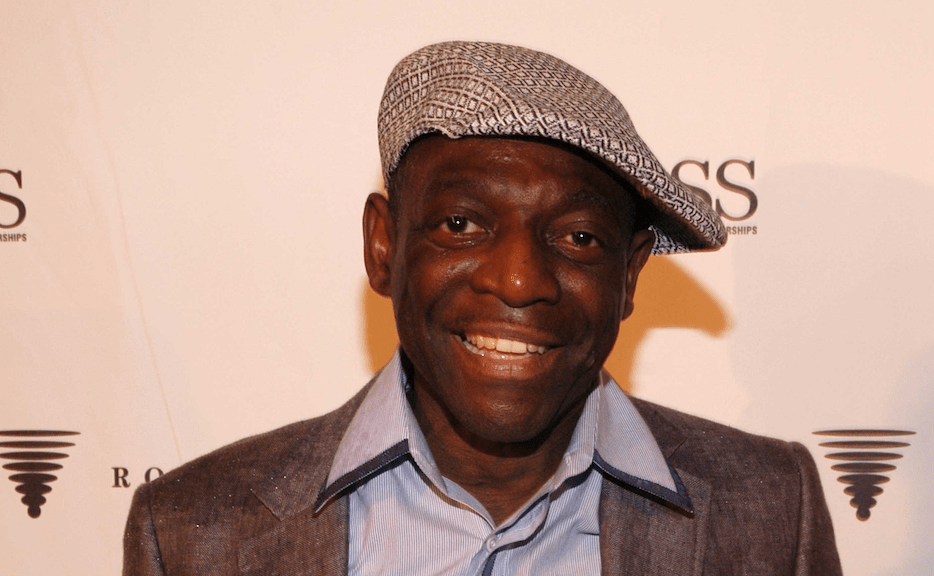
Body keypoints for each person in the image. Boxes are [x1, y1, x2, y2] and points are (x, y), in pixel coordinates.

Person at [123, 41, 842, 575]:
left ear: (629, 276)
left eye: (579, 237)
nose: (520, 281)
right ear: (383, 247)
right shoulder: (191, 532)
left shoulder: (771, 512)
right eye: (461, 224)